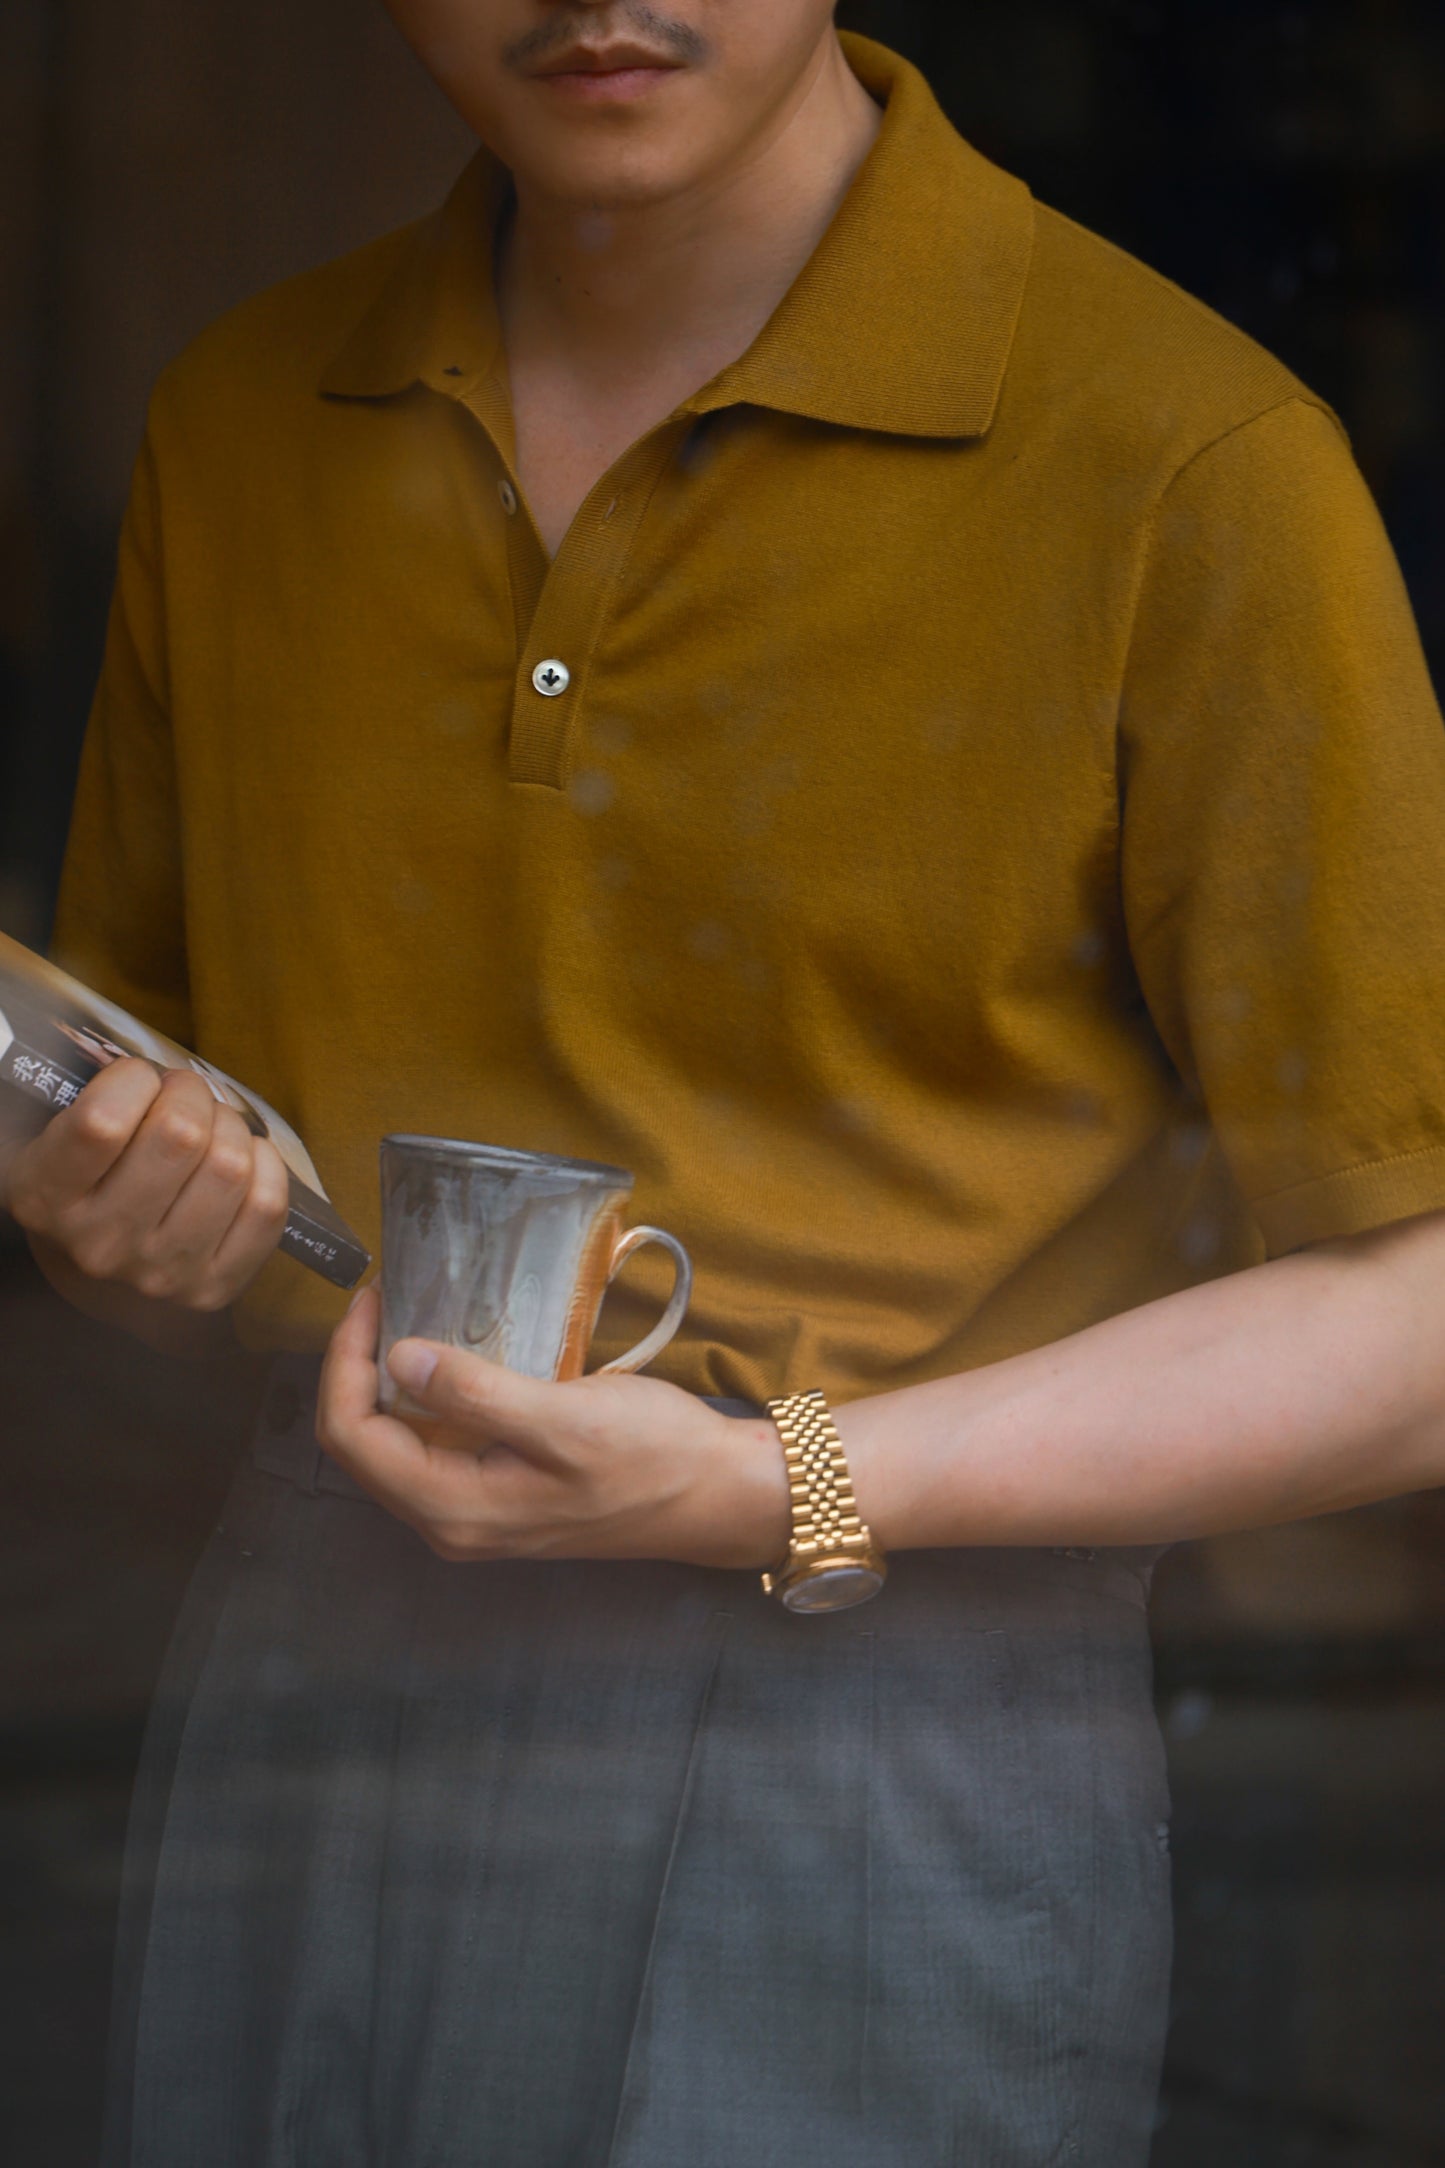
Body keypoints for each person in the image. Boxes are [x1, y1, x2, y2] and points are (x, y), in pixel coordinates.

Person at [5, 4, 1445, 2162]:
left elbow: (1422, 1330)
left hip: (882, 1695)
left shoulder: (1185, 460)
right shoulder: (243, 420)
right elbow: (145, 1233)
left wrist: (787, 1482)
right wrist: (131, 1227)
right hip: (317, 1643)